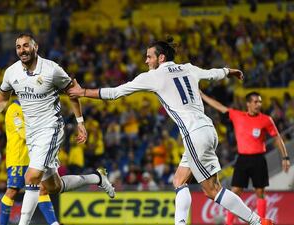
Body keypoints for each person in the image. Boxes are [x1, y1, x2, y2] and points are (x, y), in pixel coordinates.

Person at [67, 37, 273, 225]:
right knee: (179, 181)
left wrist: (82, 92)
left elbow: (115, 93)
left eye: (149, 57)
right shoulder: (188, 68)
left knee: (212, 190)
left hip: (193, 134)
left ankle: (256, 221)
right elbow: (212, 74)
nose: (146, 61)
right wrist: (230, 71)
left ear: (161, 57)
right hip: (208, 129)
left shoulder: (154, 76)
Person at [0, 33, 115, 225]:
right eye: (18, 47)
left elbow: (72, 92)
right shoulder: (11, 72)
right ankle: (97, 178)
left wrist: (80, 122)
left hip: (51, 127)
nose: (22, 50)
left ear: (35, 47)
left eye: (26, 46)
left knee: (31, 176)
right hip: (33, 131)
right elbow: (2, 98)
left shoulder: (52, 69)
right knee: (53, 187)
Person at [200, 91, 290, 225]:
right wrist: (202, 95)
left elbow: (277, 138)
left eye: (259, 101)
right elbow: (219, 107)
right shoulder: (238, 115)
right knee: (235, 192)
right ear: (248, 104)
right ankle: (229, 223)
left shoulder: (266, 119)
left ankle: (260, 222)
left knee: (260, 192)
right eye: (255, 101)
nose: (258, 104)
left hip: (259, 159)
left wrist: (285, 157)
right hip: (242, 159)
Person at [0, 99, 59, 225]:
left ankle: (54, 223)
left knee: (42, 189)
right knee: (12, 191)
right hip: (18, 157)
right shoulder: (14, 109)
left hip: (34, 156)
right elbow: (23, 132)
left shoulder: (33, 109)